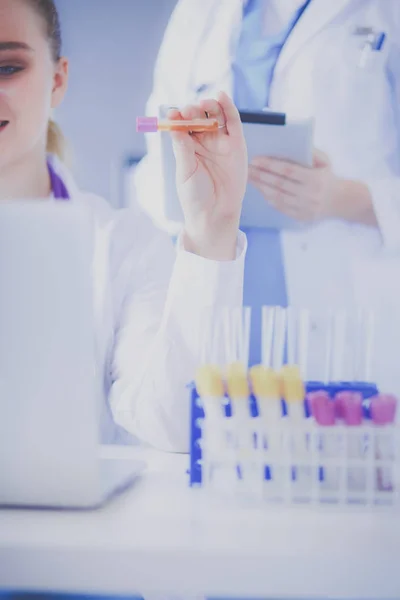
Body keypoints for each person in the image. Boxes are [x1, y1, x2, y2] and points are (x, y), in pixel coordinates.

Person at [0, 0, 249, 452]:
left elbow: (175, 423)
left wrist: (213, 228)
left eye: (7, 68)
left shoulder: (123, 247)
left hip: (66, 523)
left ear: (57, 80)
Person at [134, 0, 400, 368]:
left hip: (342, 314)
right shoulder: (197, 13)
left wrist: (340, 198)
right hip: (217, 314)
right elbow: (150, 169)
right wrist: (189, 185)